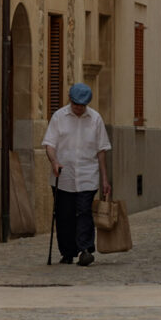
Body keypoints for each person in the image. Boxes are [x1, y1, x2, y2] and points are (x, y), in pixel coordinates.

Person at [42, 82, 111, 265]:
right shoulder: (59, 117)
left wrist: (105, 179)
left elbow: (101, 151)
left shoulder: (95, 119)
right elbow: (49, 144)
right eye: (75, 105)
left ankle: (85, 249)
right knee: (64, 215)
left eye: (82, 105)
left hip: (88, 175)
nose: (78, 109)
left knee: (84, 212)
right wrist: (54, 161)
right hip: (63, 177)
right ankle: (67, 252)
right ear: (70, 100)